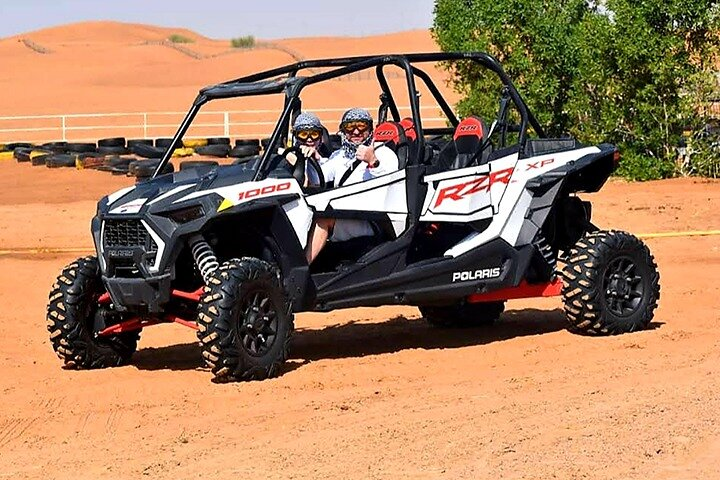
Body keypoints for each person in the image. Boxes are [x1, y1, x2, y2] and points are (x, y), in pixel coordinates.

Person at [305, 107, 399, 264]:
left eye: (361, 126)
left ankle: (300, 271)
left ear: (370, 128)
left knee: (324, 219)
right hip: (345, 214)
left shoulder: (383, 153)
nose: (356, 132)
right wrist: (310, 158)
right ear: (343, 130)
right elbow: (317, 179)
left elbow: (391, 185)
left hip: (371, 219)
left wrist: (372, 162)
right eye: (350, 127)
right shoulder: (338, 156)